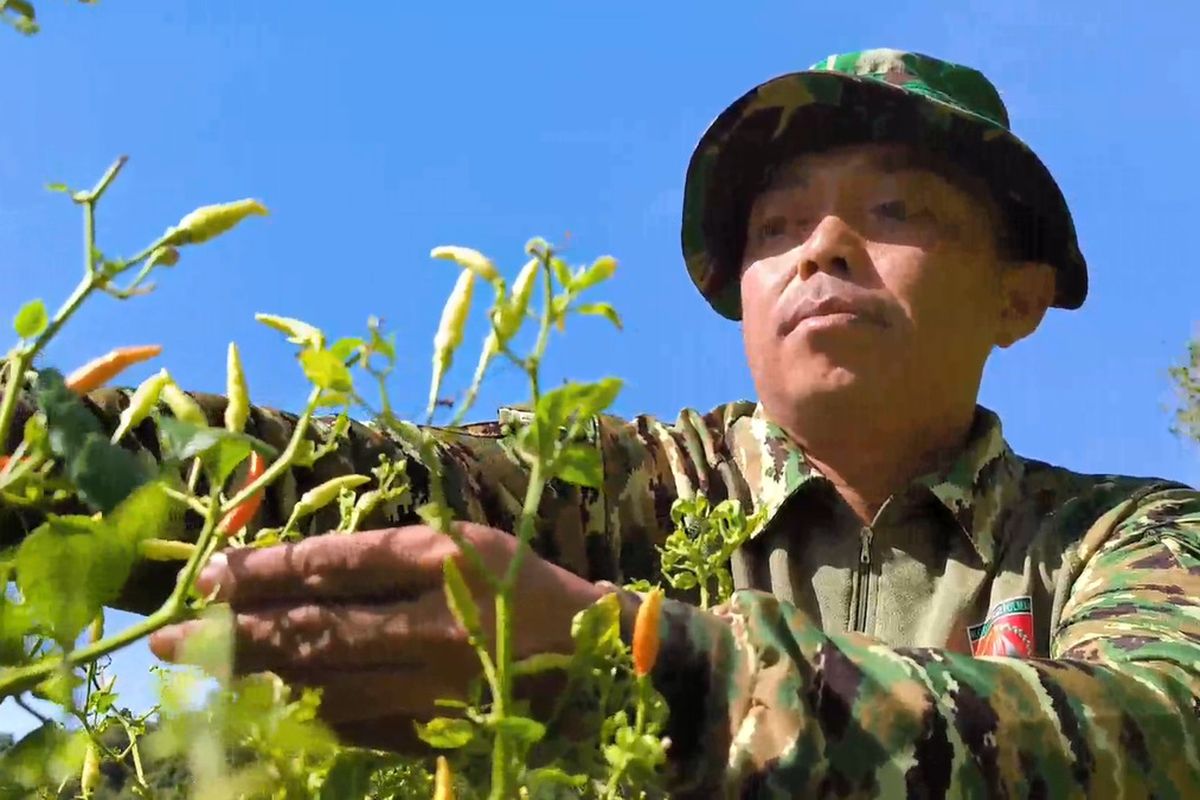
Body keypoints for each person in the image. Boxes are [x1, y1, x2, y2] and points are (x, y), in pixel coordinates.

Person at [64, 49, 1200, 796]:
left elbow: (1155, 730)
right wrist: (64, 454)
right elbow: (362, 485)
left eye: (897, 210)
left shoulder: (1118, 538)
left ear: (1018, 294)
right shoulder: (636, 481)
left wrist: (640, 666)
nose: (823, 246)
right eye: (778, 224)